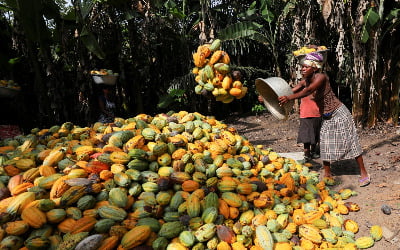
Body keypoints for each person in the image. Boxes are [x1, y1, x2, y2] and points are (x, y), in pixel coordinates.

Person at [278, 52, 370, 187]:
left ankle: (364, 173)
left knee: (351, 142)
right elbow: (291, 92)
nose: (302, 69)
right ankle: (327, 174)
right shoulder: (305, 81)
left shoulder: (321, 77)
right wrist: (271, 97)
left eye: (306, 67)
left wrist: (289, 98)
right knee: (325, 144)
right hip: (326, 117)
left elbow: (308, 91)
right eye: (302, 67)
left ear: (315, 68)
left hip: (339, 113)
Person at [291, 76, 322, 162]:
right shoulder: (303, 83)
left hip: (317, 113)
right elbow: (290, 92)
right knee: (306, 137)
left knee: (316, 135)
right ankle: (307, 154)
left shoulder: (319, 83)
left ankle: (313, 151)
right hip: (305, 114)